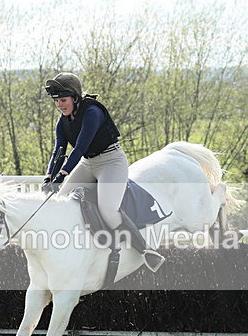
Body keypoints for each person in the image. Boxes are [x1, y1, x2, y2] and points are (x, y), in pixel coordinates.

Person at [43, 72, 164, 271]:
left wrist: (62, 175)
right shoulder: (63, 121)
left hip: (111, 162)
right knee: (60, 202)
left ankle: (145, 250)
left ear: (75, 97)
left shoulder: (92, 112)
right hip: (87, 164)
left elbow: (79, 148)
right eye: (56, 101)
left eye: (63, 100)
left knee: (108, 210)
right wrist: (49, 178)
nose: (59, 105)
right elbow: (59, 151)